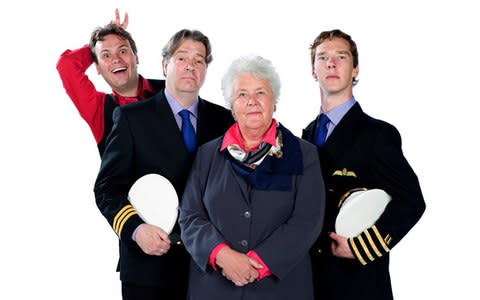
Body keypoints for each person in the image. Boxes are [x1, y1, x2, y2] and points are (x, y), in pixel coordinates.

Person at [94, 29, 234, 300]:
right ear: (165, 64)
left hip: (207, 268)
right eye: (182, 58)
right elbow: (107, 189)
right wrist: (135, 229)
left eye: (199, 60)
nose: (190, 66)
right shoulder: (131, 118)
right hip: (149, 268)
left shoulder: (224, 121)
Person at [179, 55, 325, 300]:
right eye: (242, 95)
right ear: (232, 106)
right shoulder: (206, 155)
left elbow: (307, 221)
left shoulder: (304, 153)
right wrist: (222, 256)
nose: (252, 102)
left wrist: (257, 264)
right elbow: (190, 217)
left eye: (261, 93)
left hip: (281, 291)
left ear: (274, 101)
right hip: (214, 290)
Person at [302, 29, 426, 300]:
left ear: (355, 69)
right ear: (313, 70)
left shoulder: (377, 135)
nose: (331, 64)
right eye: (323, 58)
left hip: (359, 284)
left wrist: (361, 248)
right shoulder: (305, 136)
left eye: (341, 57)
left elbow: (412, 201)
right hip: (311, 283)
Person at [56, 10, 164, 156]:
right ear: (98, 68)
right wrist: (96, 45)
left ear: (136, 58)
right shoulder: (99, 110)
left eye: (123, 51)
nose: (116, 59)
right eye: (106, 55)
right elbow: (66, 65)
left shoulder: (168, 89)